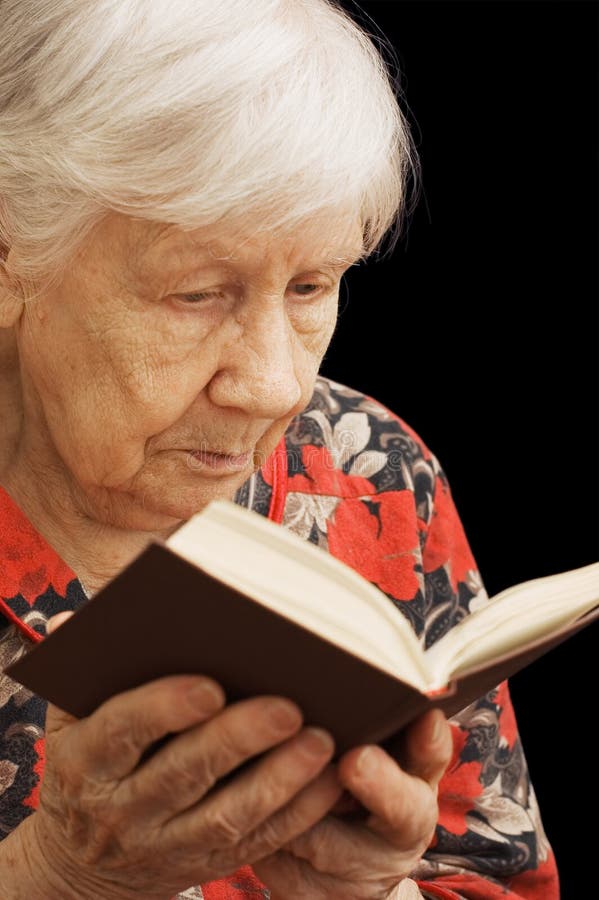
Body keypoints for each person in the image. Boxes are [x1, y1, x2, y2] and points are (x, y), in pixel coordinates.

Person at [0, 0, 559, 897]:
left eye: (309, 287)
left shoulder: (367, 469)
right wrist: (57, 876)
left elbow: (493, 875)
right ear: (8, 256)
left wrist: (367, 890)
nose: (275, 386)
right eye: (196, 294)